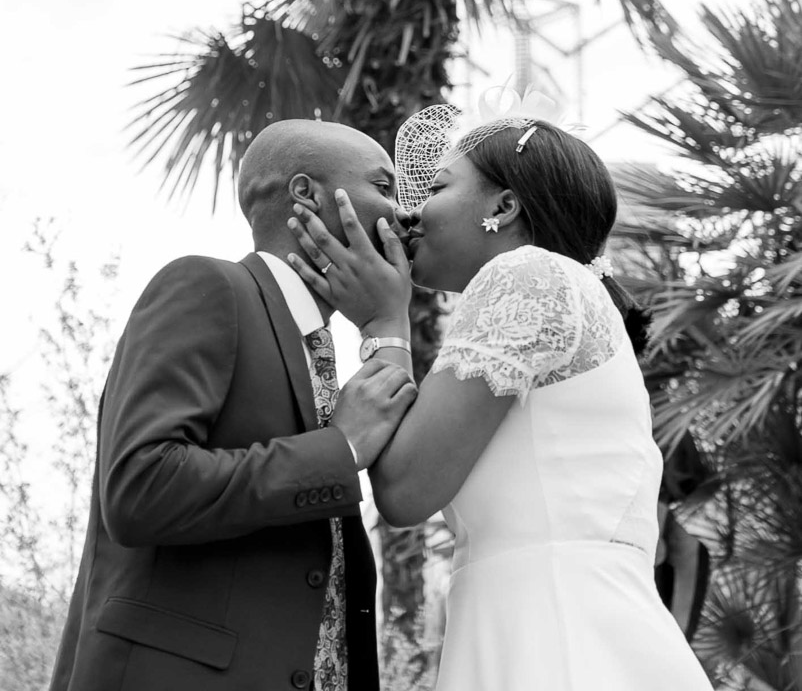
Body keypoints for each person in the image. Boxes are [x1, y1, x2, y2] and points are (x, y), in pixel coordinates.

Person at [287, 106, 716, 691]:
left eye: (436, 187)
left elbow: (405, 490)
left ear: (503, 207)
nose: (410, 212)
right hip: (562, 622)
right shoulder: (563, 288)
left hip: (556, 635)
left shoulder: (527, 275)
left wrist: (384, 324)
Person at [49, 120, 417, 691]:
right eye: (385, 187)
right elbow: (138, 486)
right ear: (307, 194)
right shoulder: (208, 287)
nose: (406, 214)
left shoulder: (318, 349)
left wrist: (385, 325)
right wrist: (338, 449)